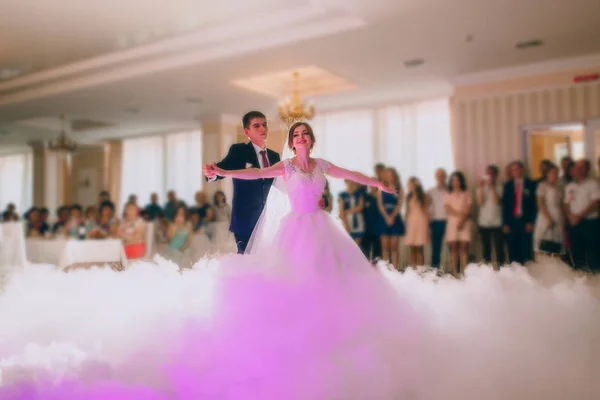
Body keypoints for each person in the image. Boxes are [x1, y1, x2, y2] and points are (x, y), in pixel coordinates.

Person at [203, 111, 280, 253]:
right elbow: (222, 169)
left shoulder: (275, 156)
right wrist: (211, 173)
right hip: (246, 220)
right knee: (247, 261)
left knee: (267, 261)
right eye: (256, 126)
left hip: (269, 220)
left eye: (264, 125)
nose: (262, 128)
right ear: (247, 131)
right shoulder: (239, 151)